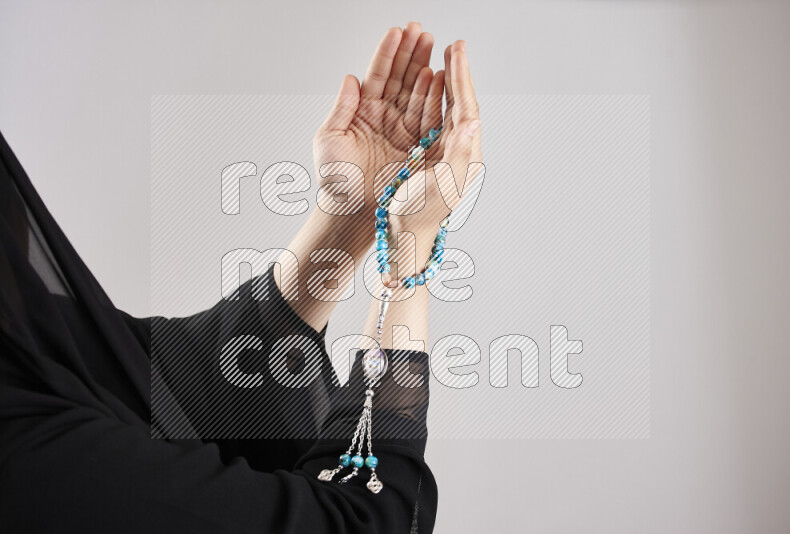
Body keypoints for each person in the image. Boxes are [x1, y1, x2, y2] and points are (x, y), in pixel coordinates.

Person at [0, 22, 482, 533]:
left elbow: (167, 377)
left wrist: (350, 216)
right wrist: (409, 248)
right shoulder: (30, 457)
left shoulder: (22, 363)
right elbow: (357, 521)